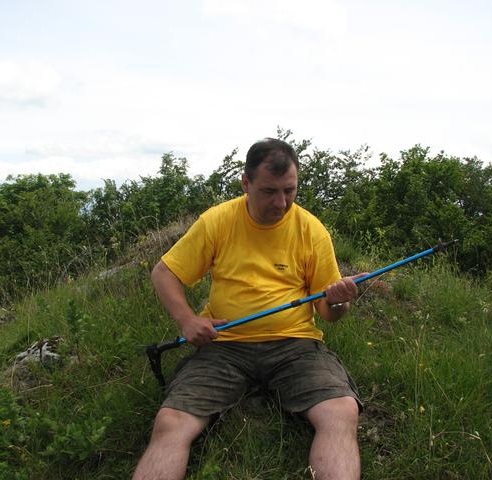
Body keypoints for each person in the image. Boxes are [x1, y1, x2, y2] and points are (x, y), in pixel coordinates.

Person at [133, 138, 366, 480]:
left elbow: (329, 312)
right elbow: (164, 272)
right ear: (246, 183)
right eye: (269, 191)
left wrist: (338, 301)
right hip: (223, 346)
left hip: (295, 346)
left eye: (289, 190)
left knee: (341, 411)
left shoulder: (311, 230)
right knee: (172, 421)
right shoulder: (218, 221)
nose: (281, 203)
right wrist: (187, 320)